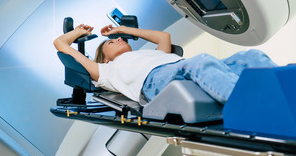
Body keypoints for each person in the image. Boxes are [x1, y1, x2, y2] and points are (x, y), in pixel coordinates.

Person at [53, 23, 277, 103]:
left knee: (251, 57)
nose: (118, 39)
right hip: (155, 82)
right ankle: (249, 108)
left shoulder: (152, 53)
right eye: (112, 41)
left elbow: (163, 37)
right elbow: (60, 43)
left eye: (119, 37)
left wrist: (121, 28)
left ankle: (285, 96)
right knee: (200, 62)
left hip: (182, 68)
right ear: (103, 57)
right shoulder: (104, 70)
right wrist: (77, 32)